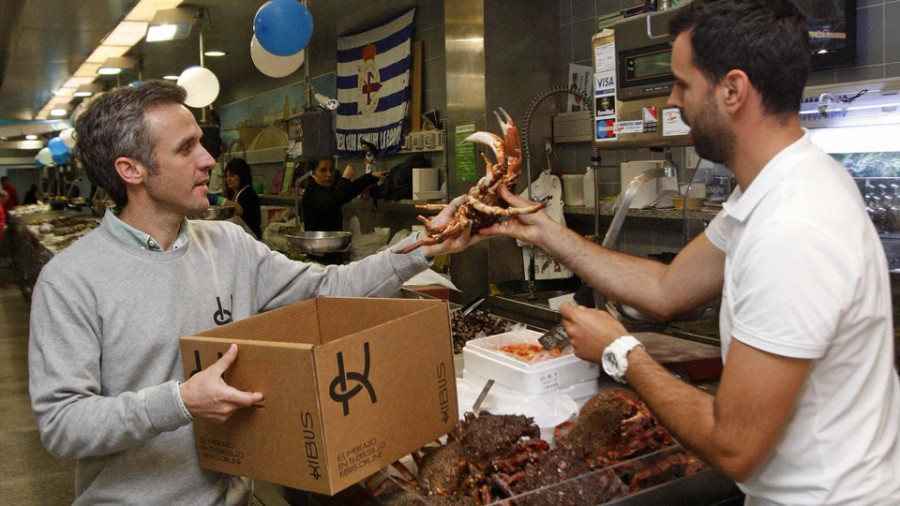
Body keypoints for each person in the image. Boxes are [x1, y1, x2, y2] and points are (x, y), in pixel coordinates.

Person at [482, 1, 900, 504]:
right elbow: (668, 288)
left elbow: (735, 446)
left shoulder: (793, 228)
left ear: (733, 90)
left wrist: (621, 352)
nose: (672, 98)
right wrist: (543, 231)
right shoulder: (773, 188)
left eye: (683, 83)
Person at [27, 80, 485, 505]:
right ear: (130, 169)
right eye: (186, 149)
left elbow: (329, 290)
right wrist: (180, 402)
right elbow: (63, 423)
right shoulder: (71, 280)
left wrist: (424, 245)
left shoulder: (229, 245)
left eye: (202, 145)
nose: (209, 160)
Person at [300, 157, 382, 233]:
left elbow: (349, 191)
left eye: (331, 170)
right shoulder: (312, 193)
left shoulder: (329, 188)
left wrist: (371, 176)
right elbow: (332, 201)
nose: (329, 174)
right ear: (313, 174)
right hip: (317, 244)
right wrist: (345, 178)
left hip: (333, 242)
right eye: (323, 170)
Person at [216, 158, 261, 239]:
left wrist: (216, 199)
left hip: (251, 239)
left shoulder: (248, 194)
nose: (228, 179)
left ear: (242, 176)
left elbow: (238, 209)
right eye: (226, 176)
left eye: (232, 176)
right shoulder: (232, 194)